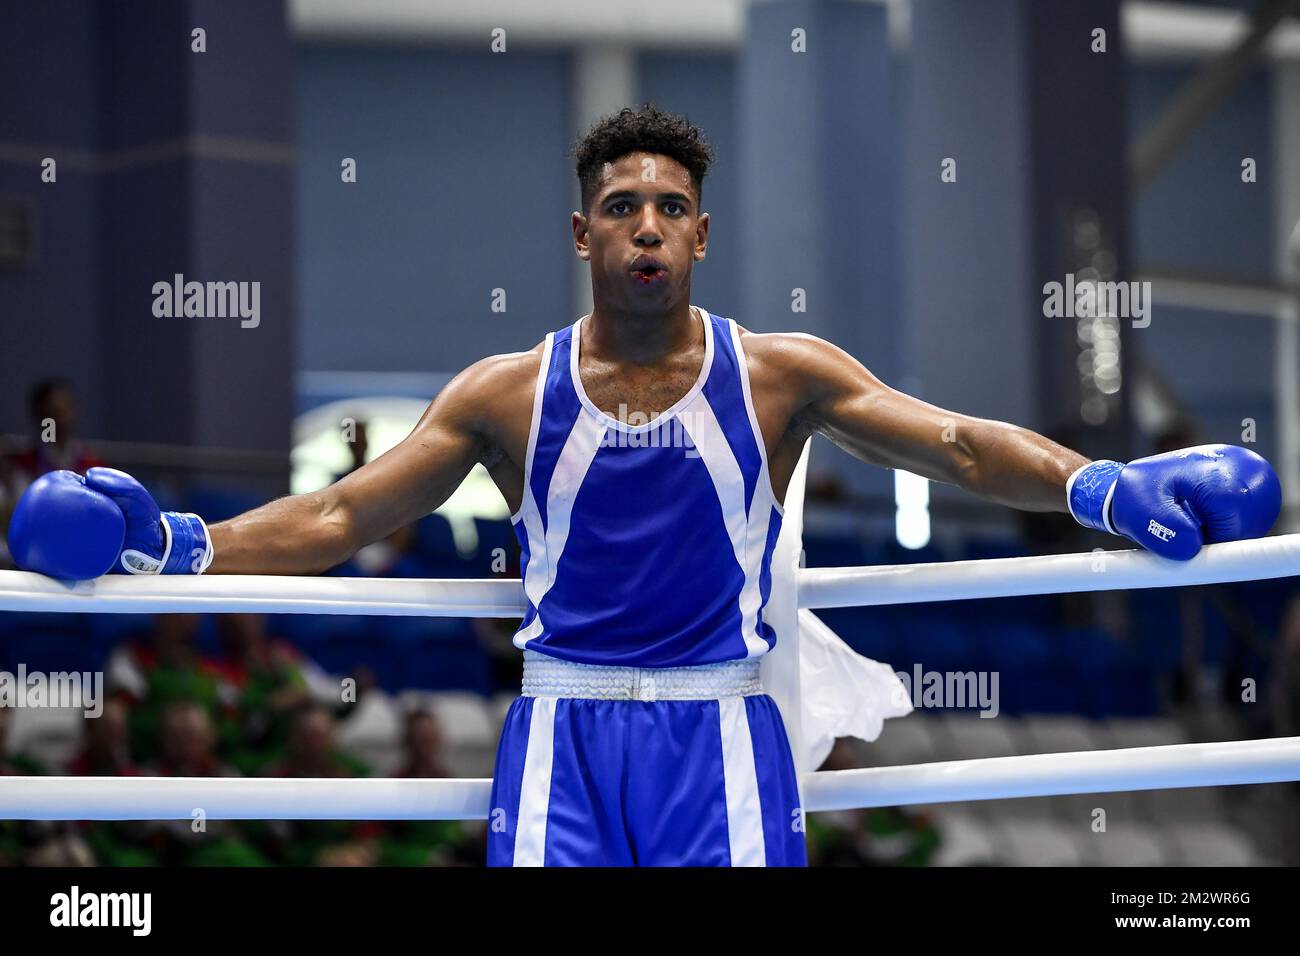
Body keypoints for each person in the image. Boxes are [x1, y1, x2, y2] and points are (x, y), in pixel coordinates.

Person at [8, 105, 1283, 866]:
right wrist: (180, 544)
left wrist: (1098, 485)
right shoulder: (504, 390)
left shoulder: (781, 373)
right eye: (622, 206)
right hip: (558, 733)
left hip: (719, 733)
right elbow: (343, 512)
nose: (648, 227)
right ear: (582, 234)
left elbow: (950, 442)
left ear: (703, 234)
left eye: (672, 207)